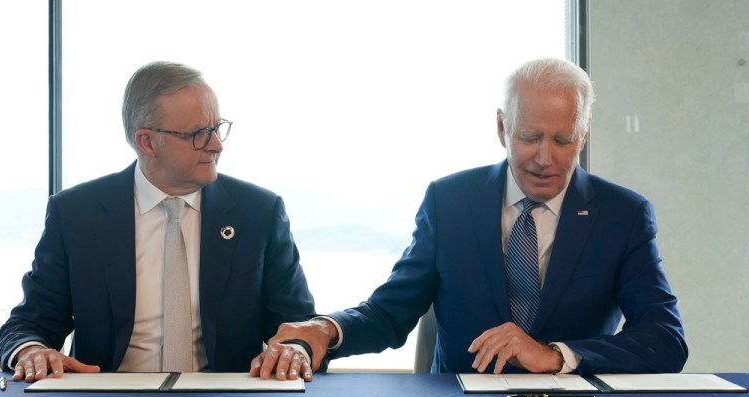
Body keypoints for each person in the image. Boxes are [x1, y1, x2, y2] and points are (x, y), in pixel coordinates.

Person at [252, 57, 687, 380]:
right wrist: (327, 329)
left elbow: (665, 339)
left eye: (563, 139)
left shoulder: (623, 215)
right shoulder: (450, 201)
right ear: (502, 129)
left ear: (584, 134)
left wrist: (555, 355)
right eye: (529, 136)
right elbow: (390, 312)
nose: (544, 158)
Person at [0, 61, 315, 382]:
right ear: (147, 142)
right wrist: (31, 350)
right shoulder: (77, 214)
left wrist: (295, 347)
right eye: (198, 135)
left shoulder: (258, 212)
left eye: (217, 128)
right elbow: (30, 323)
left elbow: (298, 324)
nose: (217, 145)